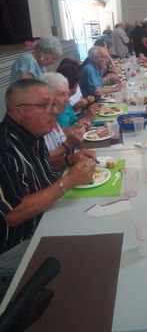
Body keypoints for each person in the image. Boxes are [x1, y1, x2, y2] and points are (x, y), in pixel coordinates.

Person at [0, 79, 96, 273]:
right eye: (44, 105)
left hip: (46, 215)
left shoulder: (33, 133)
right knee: (89, 249)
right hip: (18, 241)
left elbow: (43, 166)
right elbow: (14, 214)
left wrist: (71, 159)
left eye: (53, 104)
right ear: (19, 111)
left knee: (96, 217)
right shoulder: (5, 149)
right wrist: (68, 181)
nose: (54, 111)